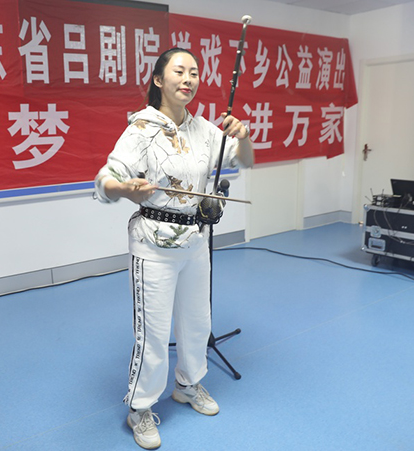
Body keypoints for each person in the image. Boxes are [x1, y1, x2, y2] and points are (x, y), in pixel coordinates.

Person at [94, 47, 254, 450]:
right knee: (153, 332)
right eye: (179, 71)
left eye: (194, 72)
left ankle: (188, 384)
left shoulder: (205, 130)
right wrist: (126, 188)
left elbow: (244, 161)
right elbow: (105, 180)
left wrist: (243, 136)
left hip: (196, 241)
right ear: (158, 80)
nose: (188, 79)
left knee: (197, 322)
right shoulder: (141, 129)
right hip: (153, 245)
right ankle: (140, 408)